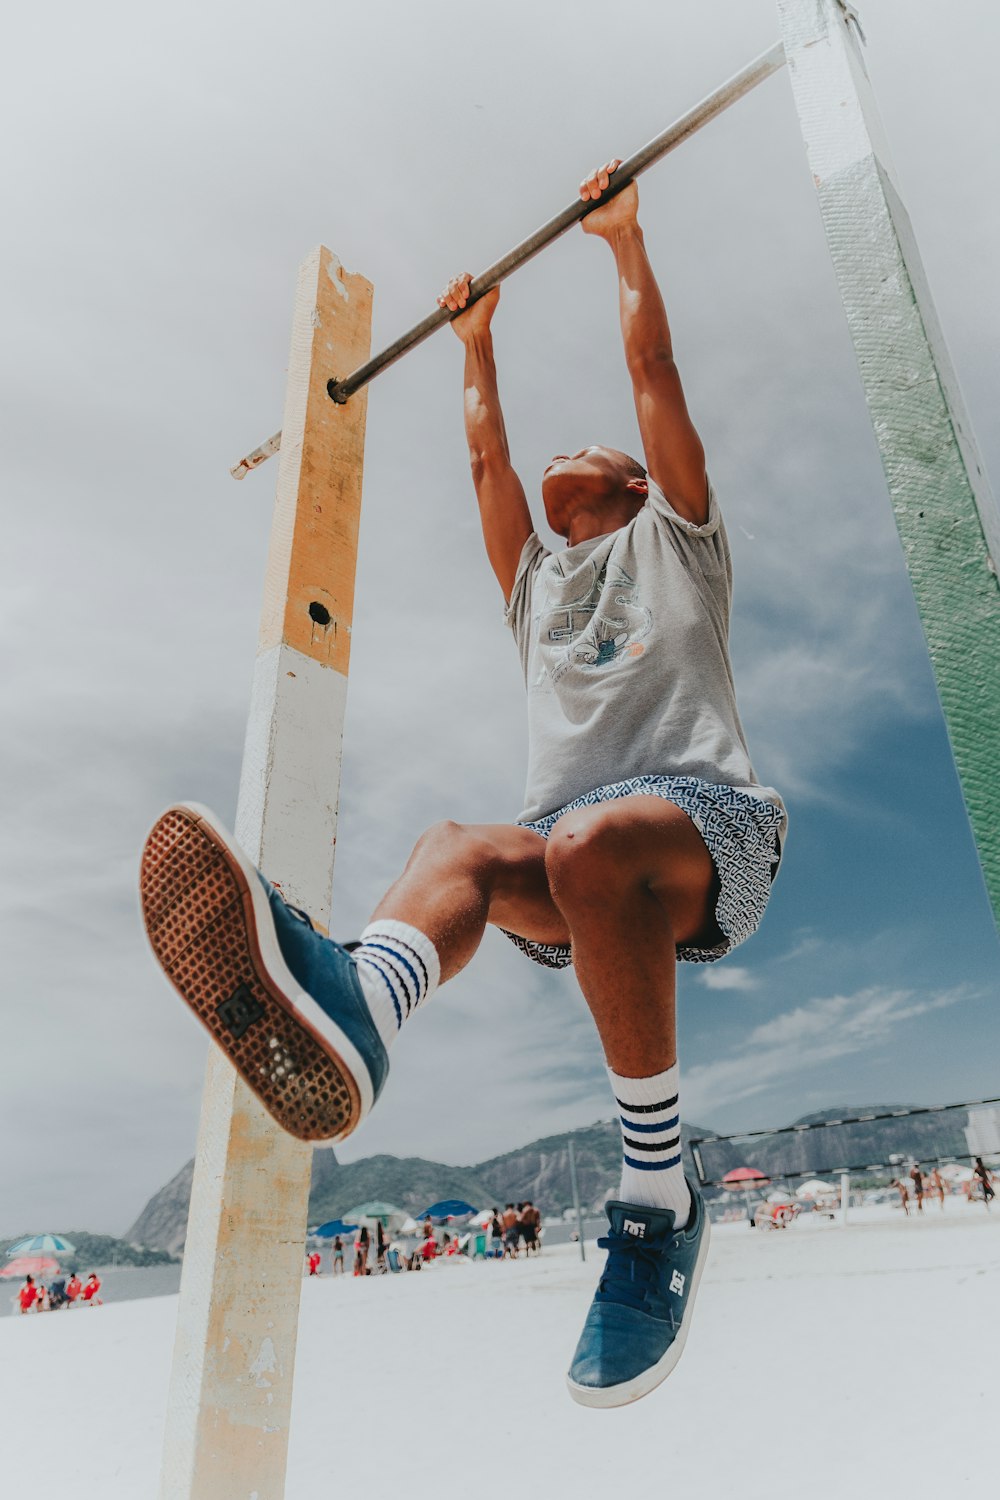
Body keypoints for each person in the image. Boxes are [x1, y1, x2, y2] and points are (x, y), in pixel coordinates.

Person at [140, 159, 786, 1409]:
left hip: (707, 831)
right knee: (457, 848)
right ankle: (363, 1008)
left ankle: (659, 1187)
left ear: (640, 486)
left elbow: (653, 379)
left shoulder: (677, 538)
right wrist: (473, 344)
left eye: (594, 451)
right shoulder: (539, 587)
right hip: (576, 853)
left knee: (589, 840)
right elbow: (488, 466)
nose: (569, 450)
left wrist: (622, 243)